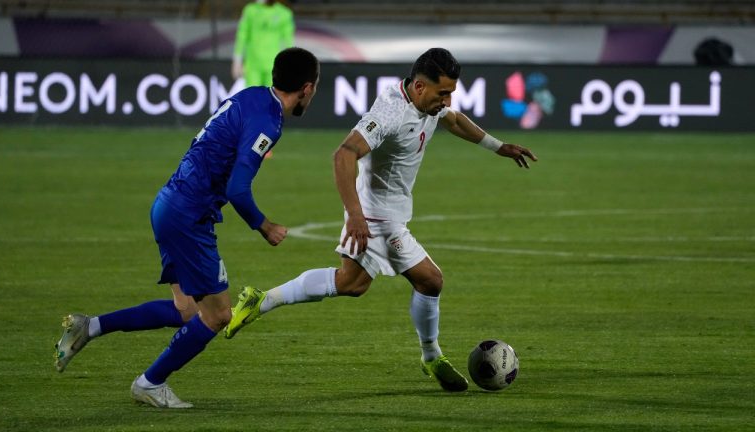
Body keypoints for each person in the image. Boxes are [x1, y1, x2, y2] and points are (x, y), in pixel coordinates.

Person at [224, 47, 537, 392]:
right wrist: (356, 217)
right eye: (443, 93)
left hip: (389, 214)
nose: (447, 101)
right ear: (420, 87)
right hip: (375, 216)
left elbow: (454, 120)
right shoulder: (390, 112)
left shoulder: (430, 104)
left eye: (450, 93)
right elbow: (343, 155)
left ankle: (261, 300)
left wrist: (499, 146)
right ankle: (432, 357)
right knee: (428, 280)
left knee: (355, 284)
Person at [54, 47, 320, 408]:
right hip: (189, 217)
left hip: (168, 203)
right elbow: (237, 189)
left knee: (186, 312)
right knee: (219, 315)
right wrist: (264, 226)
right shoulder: (268, 123)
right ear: (306, 88)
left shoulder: (251, 96)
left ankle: (90, 327)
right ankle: (150, 383)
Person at [231, 0, 295, 87]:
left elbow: (288, 41)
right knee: (253, 95)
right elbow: (242, 36)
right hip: (253, 66)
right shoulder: (250, 11)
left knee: (272, 95)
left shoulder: (284, 14)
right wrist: (237, 60)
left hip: (274, 66)